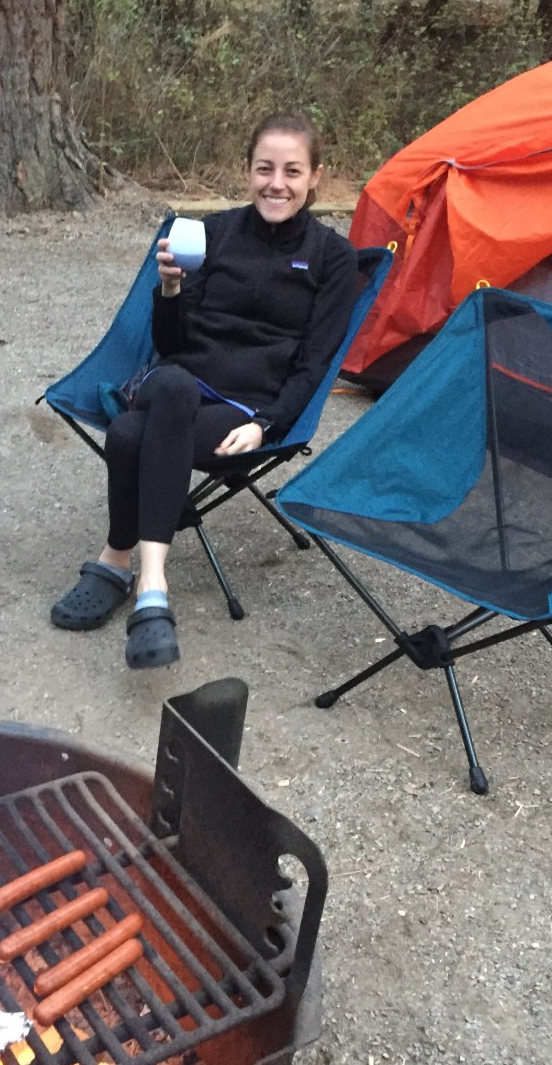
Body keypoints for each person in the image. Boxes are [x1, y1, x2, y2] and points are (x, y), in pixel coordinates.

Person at [51, 110, 359, 668]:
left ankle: (117, 559)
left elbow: (316, 363)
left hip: (242, 409)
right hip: (174, 382)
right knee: (171, 385)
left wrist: (266, 424)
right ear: (247, 171)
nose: (276, 183)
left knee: (128, 435)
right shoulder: (209, 234)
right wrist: (170, 290)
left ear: (315, 177)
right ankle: (153, 588)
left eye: (292, 171)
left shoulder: (333, 258)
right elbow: (170, 343)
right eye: (264, 168)